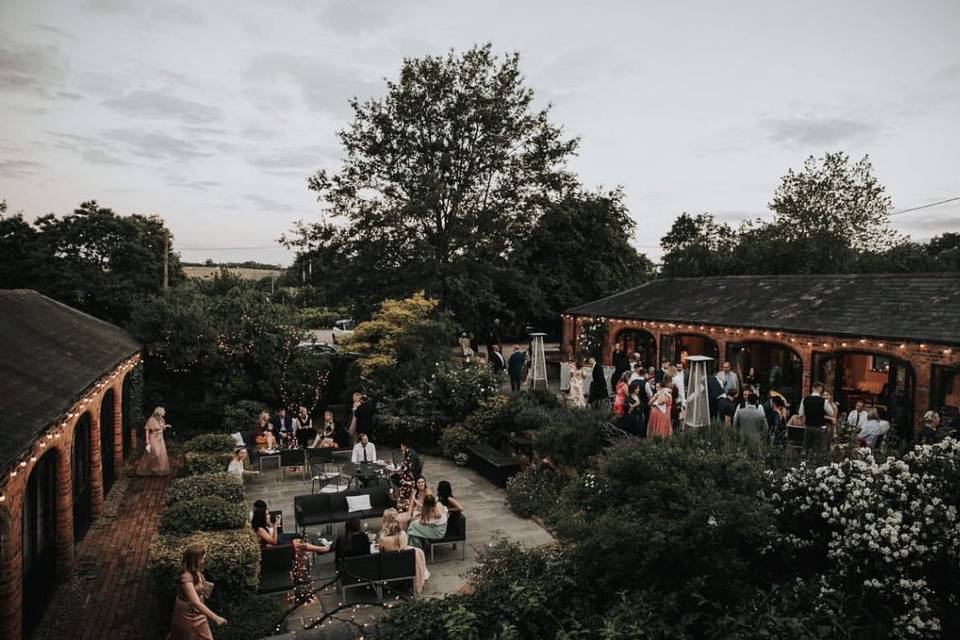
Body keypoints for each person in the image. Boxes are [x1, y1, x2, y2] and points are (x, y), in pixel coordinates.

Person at [168, 544, 225, 639]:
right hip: (189, 617)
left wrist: (200, 589)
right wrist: (216, 618)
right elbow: (196, 602)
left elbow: (204, 593)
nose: (203, 561)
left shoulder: (196, 571)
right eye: (201, 558)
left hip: (198, 614)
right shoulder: (186, 577)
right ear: (194, 559)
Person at [378, 516, 429, 594]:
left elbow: (381, 552)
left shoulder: (383, 540)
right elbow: (403, 547)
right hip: (406, 567)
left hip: (388, 568)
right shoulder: (403, 535)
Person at [251, 503, 329, 553]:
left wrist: (272, 525)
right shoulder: (260, 530)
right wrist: (275, 527)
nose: (269, 516)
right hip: (275, 549)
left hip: (276, 544)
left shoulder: (262, 526)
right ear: (262, 517)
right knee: (297, 543)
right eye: (267, 515)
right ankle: (319, 549)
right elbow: (274, 542)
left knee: (298, 540)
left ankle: (317, 548)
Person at [798, 381, 836, 454]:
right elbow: (831, 413)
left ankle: (803, 463)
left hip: (808, 427)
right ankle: (816, 463)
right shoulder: (823, 401)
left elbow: (800, 414)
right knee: (818, 450)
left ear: (812, 388)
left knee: (805, 448)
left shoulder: (804, 399)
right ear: (820, 388)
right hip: (819, 428)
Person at [137, 406, 172, 476]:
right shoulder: (151, 419)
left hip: (160, 438)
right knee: (155, 453)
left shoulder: (161, 419)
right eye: (163, 411)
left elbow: (161, 427)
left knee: (161, 454)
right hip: (153, 438)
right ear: (159, 412)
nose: (164, 412)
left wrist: (166, 426)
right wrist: (147, 439)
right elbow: (147, 429)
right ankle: (149, 468)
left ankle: (159, 469)